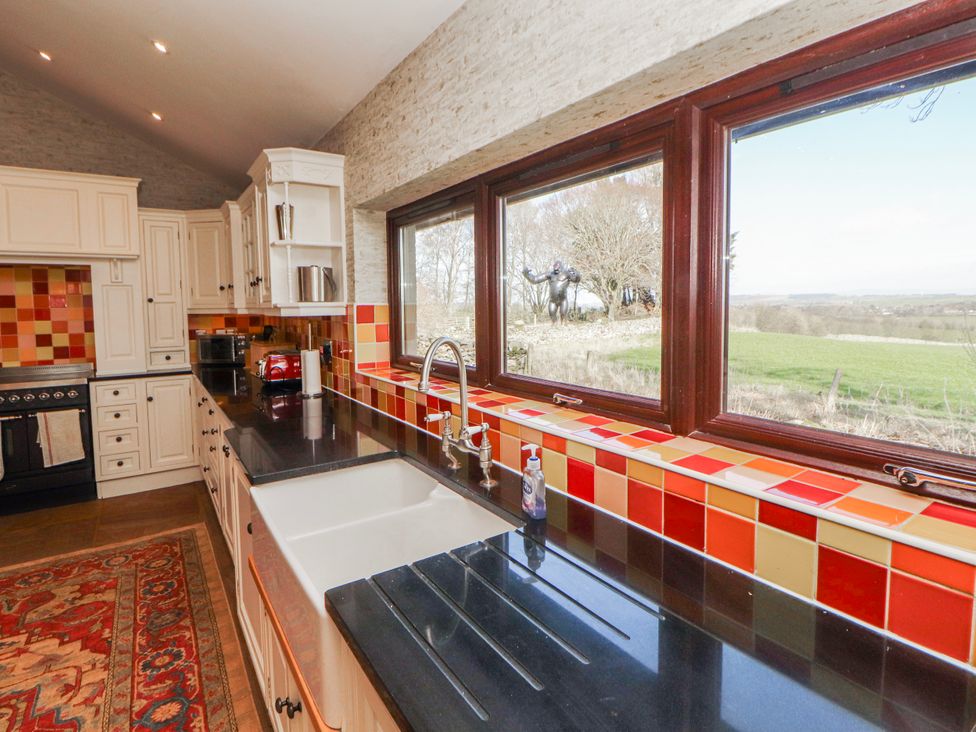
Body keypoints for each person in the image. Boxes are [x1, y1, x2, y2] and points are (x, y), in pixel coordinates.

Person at [522, 260, 581, 324]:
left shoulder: (567, 274)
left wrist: (576, 273)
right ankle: (555, 327)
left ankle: (563, 327)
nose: (556, 269)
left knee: (563, 314)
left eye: (557, 267)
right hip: (552, 301)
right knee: (552, 315)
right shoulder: (550, 274)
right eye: (554, 267)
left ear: (561, 267)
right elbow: (535, 279)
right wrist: (526, 274)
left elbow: (576, 280)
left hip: (563, 300)